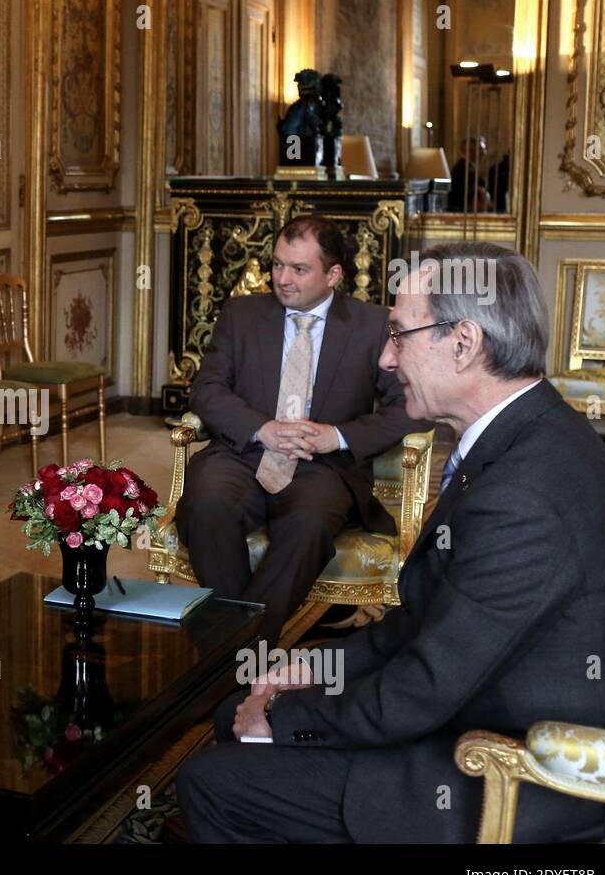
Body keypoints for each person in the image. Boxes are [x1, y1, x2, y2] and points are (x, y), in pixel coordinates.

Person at [176, 243, 605, 843]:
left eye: (399, 335)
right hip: (473, 706)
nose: (386, 358)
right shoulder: (524, 435)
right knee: (237, 712)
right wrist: (308, 665)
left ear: (464, 343)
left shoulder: (524, 494)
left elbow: (420, 690)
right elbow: (422, 624)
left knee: (213, 778)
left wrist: (282, 716)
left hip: (501, 770)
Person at [176, 215, 428, 642]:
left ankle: (229, 656)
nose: (282, 279)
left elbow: (411, 406)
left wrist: (338, 436)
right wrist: (262, 428)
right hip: (243, 454)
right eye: (277, 265)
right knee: (205, 506)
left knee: (308, 526)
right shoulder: (241, 314)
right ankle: (241, 656)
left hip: (324, 466)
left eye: (299, 269)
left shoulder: (372, 325)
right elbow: (207, 389)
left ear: (333, 275)